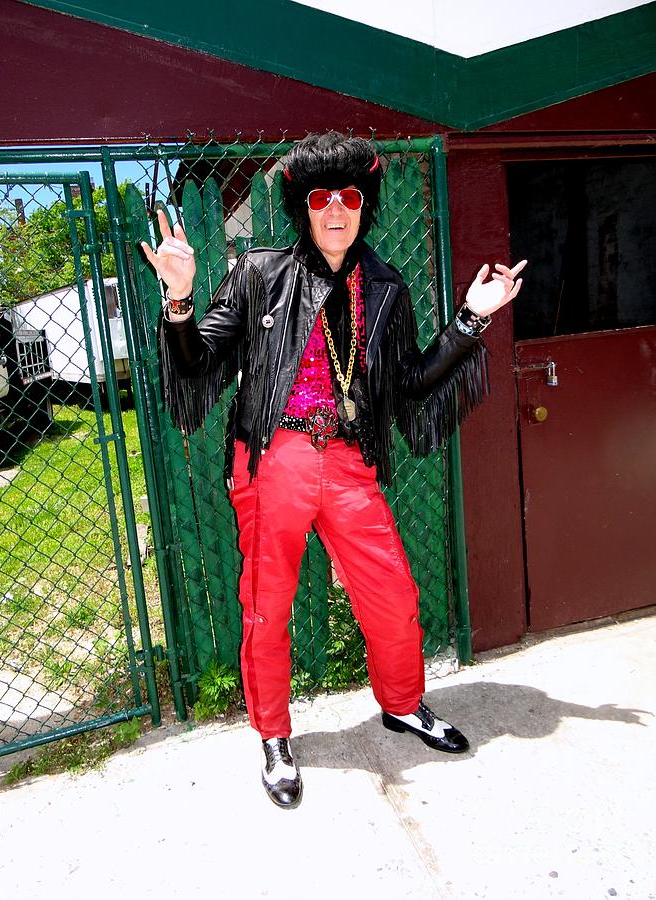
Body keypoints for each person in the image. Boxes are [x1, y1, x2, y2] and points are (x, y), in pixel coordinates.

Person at [142, 132, 526, 810]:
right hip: (273, 457)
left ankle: (401, 704)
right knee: (268, 607)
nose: (336, 209)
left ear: (363, 204)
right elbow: (198, 364)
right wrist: (179, 299)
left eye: (349, 196)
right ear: (303, 206)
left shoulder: (382, 285)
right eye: (321, 197)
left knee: (393, 596)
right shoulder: (259, 272)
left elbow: (408, 381)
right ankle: (274, 737)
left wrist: (471, 319)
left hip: (348, 460)